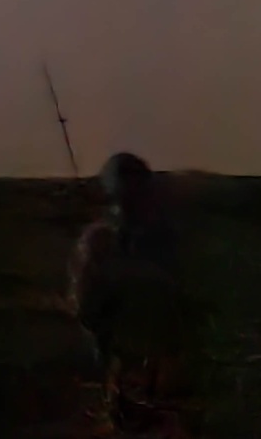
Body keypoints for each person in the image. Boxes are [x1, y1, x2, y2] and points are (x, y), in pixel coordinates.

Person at [68, 152, 195, 433]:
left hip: (152, 368)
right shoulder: (101, 243)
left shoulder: (107, 242)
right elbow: (87, 308)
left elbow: (87, 310)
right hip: (136, 368)